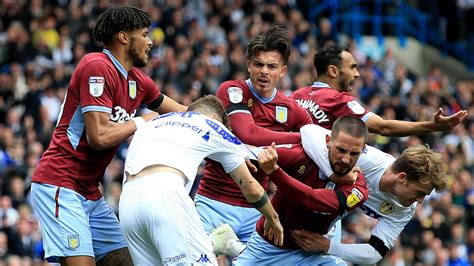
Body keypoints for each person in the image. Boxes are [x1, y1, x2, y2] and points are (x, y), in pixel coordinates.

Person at [30, 7, 186, 265]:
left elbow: (183, 114)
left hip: (89, 190)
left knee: (124, 261)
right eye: (145, 34)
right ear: (124, 37)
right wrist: (141, 121)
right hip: (60, 182)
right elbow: (99, 137)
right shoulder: (96, 66)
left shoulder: (138, 81)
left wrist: (220, 118)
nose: (150, 41)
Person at [119, 95, 283, 265]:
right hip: (165, 195)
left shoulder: (155, 122)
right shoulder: (212, 125)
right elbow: (251, 188)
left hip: (128, 205)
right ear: (214, 118)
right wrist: (273, 218)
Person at [194, 26, 312, 258]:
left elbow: (318, 144)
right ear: (248, 64)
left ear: (283, 70)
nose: (264, 72)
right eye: (258, 64)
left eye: (272, 66)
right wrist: (303, 138)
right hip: (213, 203)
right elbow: (247, 133)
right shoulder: (232, 90)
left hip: (256, 210)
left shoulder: (291, 109)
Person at [288, 123, 448, 264]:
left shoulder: (405, 208)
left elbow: (375, 252)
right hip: (290, 204)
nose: (420, 201)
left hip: (325, 228)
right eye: (420, 192)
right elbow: (308, 131)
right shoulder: (367, 160)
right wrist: (333, 175)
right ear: (401, 178)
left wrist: (327, 246)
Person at [234, 116, 370, 265]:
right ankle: (234, 246)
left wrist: (274, 171)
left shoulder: (359, 188)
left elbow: (311, 200)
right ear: (328, 141)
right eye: (341, 150)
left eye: (354, 153)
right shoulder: (301, 157)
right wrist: (245, 155)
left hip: (312, 254)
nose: (345, 159)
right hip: (268, 247)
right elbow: (250, 152)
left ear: (363, 150)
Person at [291, 43, 467, 134]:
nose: (357, 74)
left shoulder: (296, 95)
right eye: (352, 67)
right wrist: (430, 126)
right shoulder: (340, 101)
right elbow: (384, 127)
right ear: (333, 71)